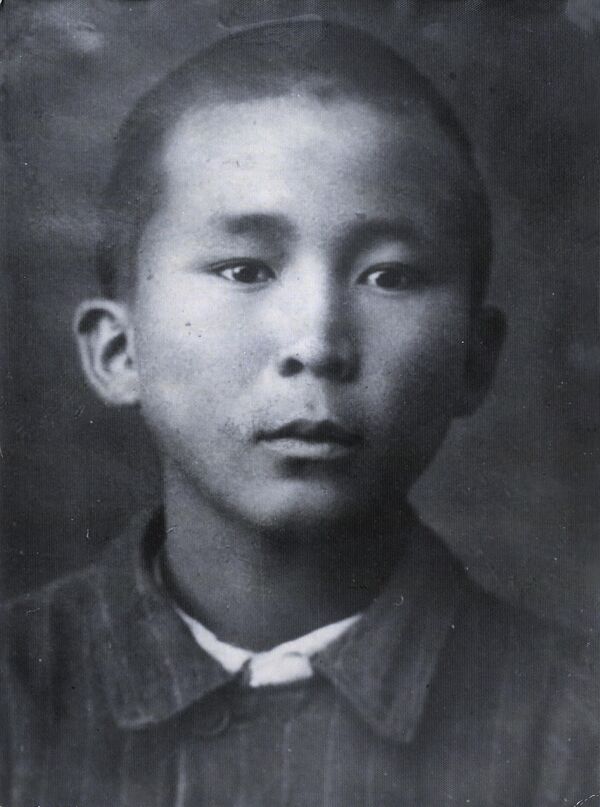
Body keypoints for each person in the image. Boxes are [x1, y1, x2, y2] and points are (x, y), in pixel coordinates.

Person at [1, 19, 597, 806]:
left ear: (473, 360)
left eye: (388, 276)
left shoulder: (576, 730)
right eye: (245, 269)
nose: (316, 343)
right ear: (120, 350)